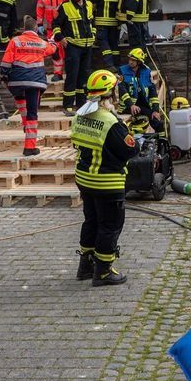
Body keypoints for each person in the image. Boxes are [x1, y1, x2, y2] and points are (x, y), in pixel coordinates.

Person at [70, 70, 138, 287]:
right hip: (107, 182)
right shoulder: (111, 122)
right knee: (110, 225)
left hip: (84, 179)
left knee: (91, 221)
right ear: (111, 94)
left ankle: (86, 265)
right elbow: (130, 150)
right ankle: (103, 271)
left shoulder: (79, 115)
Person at [0, 16, 57, 156]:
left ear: (24, 29)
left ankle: (25, 124)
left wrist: (4, 77)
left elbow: (6, 62)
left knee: (20, 100)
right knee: (32, 112)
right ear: (36, 29)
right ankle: (30, 147)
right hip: (35, 82)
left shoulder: (15, 41)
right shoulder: (41, 43)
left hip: (16, 81)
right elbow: (53, 49)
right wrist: (52, 40)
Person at [54, 0, 96, 114]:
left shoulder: (89, 5)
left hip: (87, 47)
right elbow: (55, 25)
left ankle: (81, 104)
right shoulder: (65, 6)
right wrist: (60, 38)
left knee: (83, 77)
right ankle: (67, 106)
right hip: (73, 47)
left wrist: (93, 35)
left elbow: (92, 23)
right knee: (72, 76)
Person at [36, 0, 70, 82]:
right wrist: (39, 24)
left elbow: (70, 0)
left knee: (68, 50)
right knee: (55, 52)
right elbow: (40, 9)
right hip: (51, 28)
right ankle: (58, 73)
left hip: (66, 27)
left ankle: (70, 72)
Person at [118, 48, 163, 134]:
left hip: (143, 105)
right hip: (127, 107)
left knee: (157, 121)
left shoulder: (146, 72)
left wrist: (155, 110)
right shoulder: (123, 71)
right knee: (139, 121)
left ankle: (161, 143)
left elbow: (152, 92)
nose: (130, 62)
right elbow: (122, 90)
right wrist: (131, 105)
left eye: (133, 60)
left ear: (139, 62)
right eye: (130, 59)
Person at [90, 0, 124, 69]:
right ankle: (117, 65)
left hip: (102, 21)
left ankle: (109, 65)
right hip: (115, 22)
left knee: (103, 42)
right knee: (114, 44)